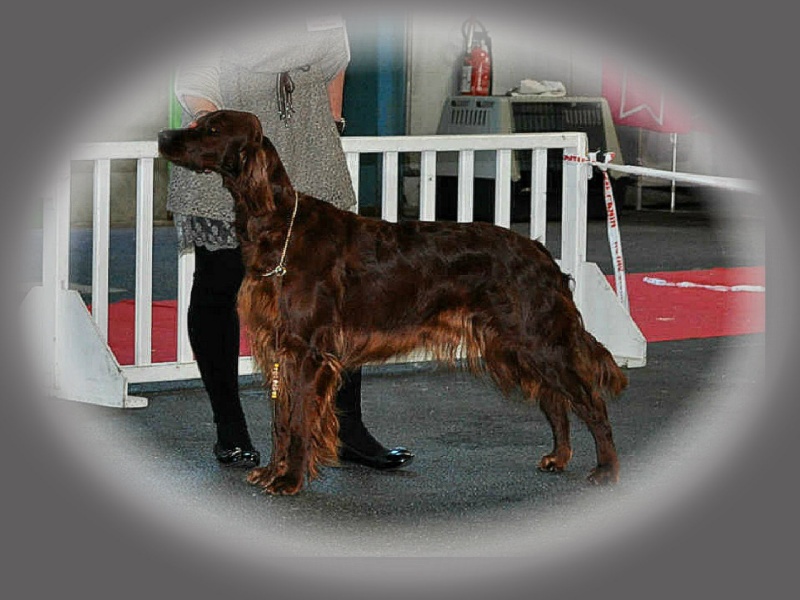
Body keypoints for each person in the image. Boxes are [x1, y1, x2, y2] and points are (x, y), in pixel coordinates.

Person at [167, 17, 414, 471]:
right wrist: (216, 135)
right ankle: (231, 427)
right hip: (234, 135)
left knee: (338, 290)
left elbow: (337, 59)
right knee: (220, 284)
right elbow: (196, 72)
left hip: (309, 137)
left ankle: (347, 429)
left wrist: (333, 121)